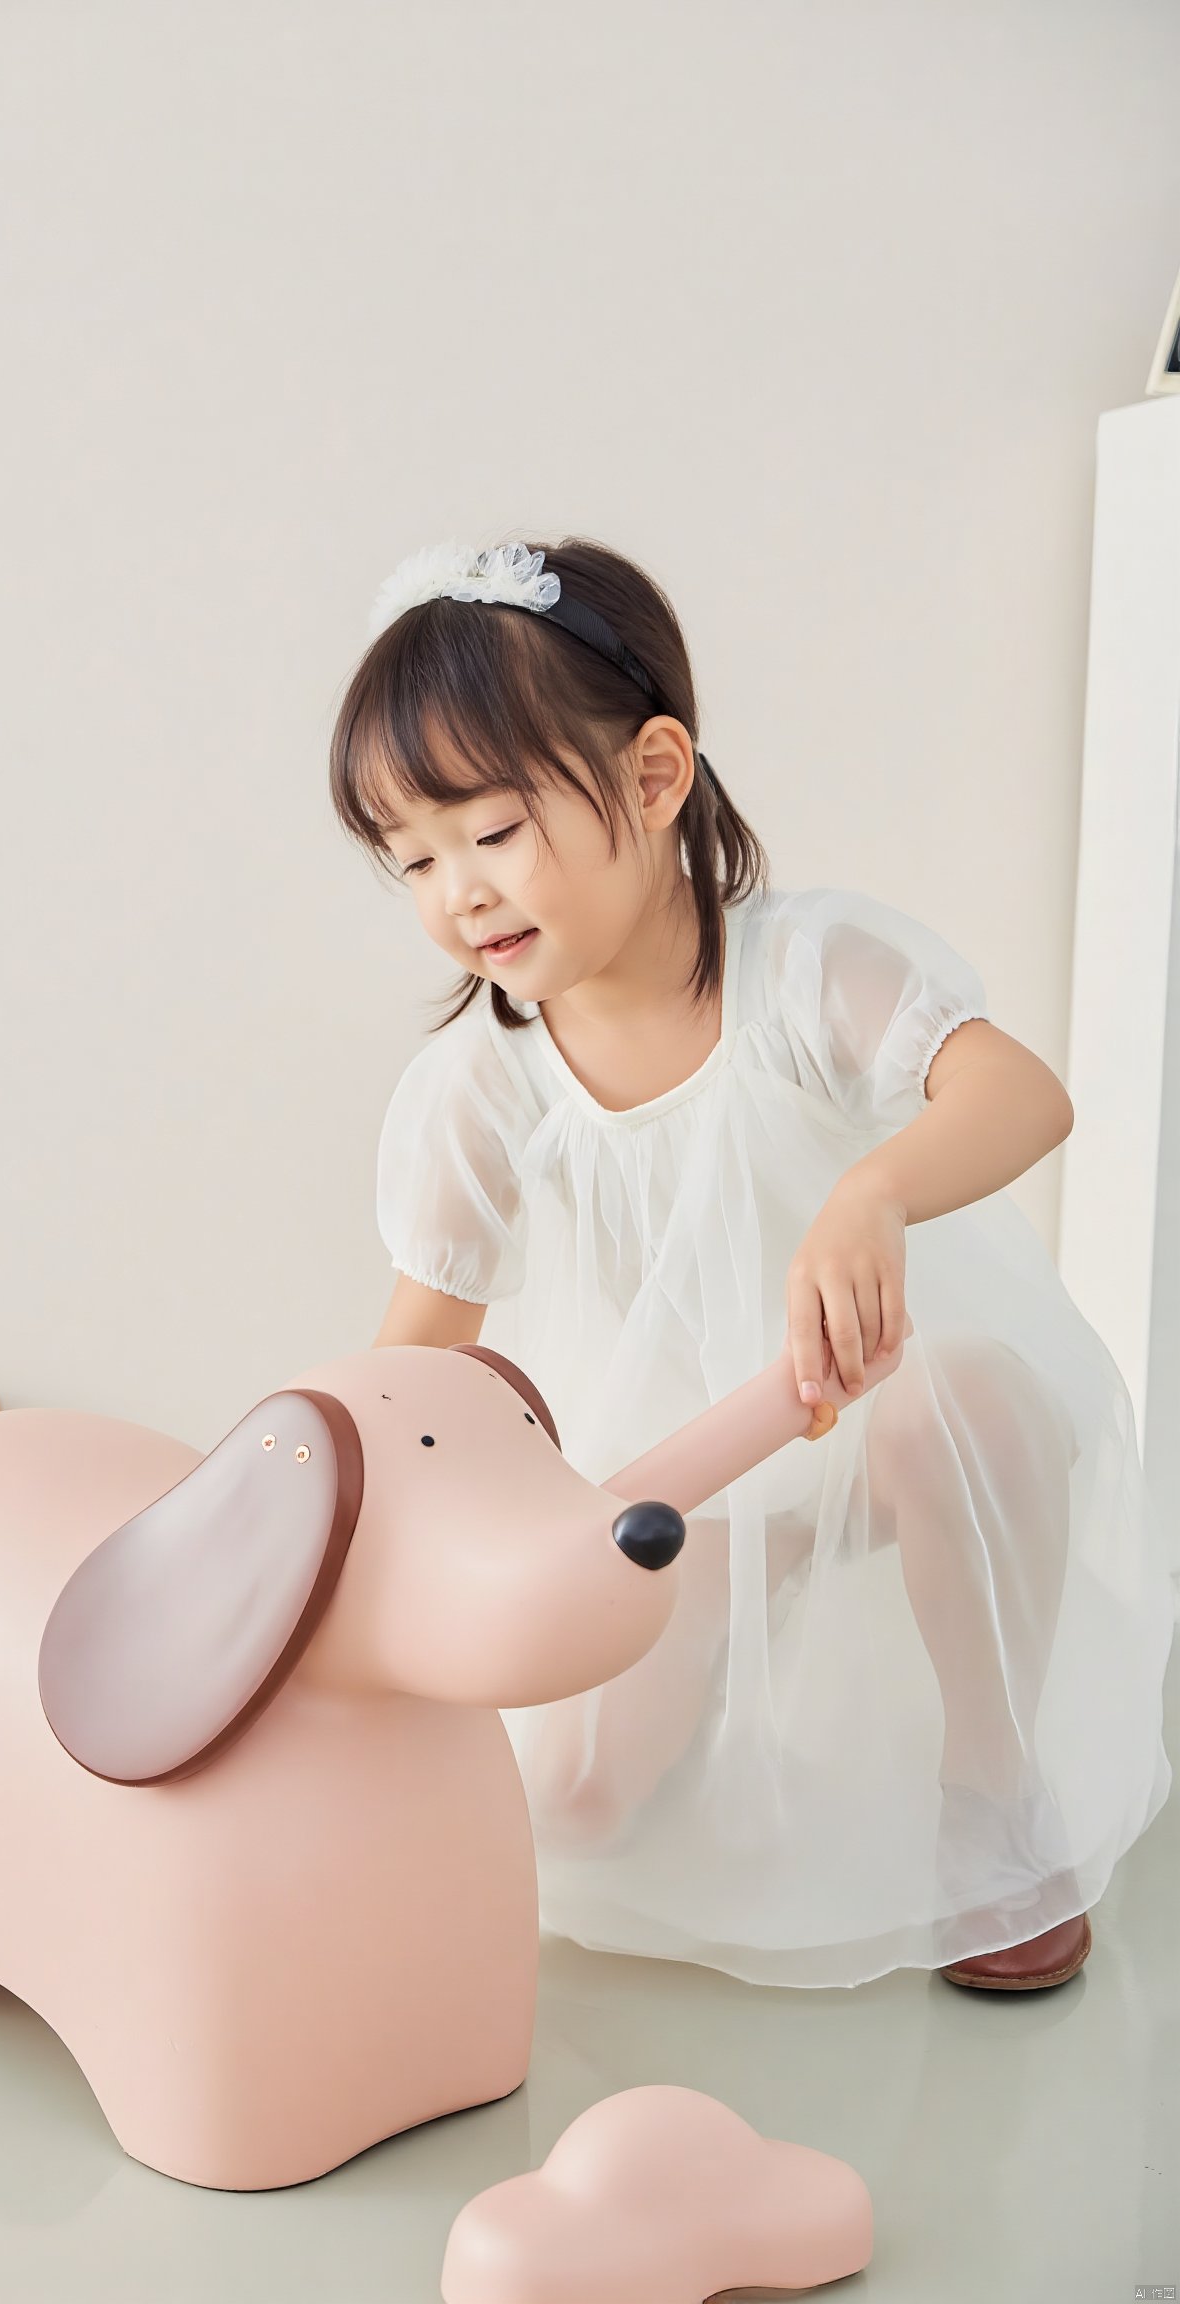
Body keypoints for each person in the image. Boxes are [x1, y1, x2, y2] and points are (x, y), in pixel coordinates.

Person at [328, 534, 1175, 1993]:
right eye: (412, 859)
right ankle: (732, 1616)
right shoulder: (482, 1085)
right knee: (577, 1812)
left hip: (894, 1412)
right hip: (684, 1476)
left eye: (493, 830)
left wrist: (874, 1192)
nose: (458, 893)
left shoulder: (801, 972)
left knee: (956, 1398)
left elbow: (1025, 1095)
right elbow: (419, 1364)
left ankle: (991, 1786)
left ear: (655, 781)